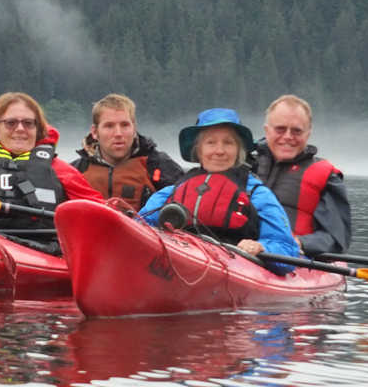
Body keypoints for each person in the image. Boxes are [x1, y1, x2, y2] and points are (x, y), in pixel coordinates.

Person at [140, 108, 299, 273]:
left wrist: (261, 246)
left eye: (228, 143)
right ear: (198, 150)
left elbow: (286, 248)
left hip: (236, 271)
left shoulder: (257, 194)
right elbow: (139, 229)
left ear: (239, 150)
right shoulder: (169, 193)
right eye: (211, 142)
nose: (219, 151)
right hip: (179, 266)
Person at [0, 92, 104, 245]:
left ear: (38, 129)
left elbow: (100, 214)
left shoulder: (62, 172)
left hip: (43, 250)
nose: (20, 129)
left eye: (28, 123)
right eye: (11, 123)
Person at [253, 95, 351, 257]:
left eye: (297, 131)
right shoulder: (244, 165)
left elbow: (335, 238)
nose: (288, 137)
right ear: (266, 130)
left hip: (290, 260)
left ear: (308, 134)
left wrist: (299, 243)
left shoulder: (327, 178)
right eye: (280, 129)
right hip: (240, 251)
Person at [71, 93, 183, 210]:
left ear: (134, 129)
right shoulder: (76, 171)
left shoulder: (158, 165)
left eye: (125, 125)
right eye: (109, 126)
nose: (118, 133)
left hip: (143, 227)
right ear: (94, 132)